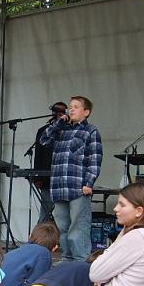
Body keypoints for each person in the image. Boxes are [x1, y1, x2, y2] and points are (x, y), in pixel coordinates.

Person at [39, 96, 102, 260]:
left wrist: (89, 183)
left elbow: (94, 159)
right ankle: (67, 259)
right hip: (59, 186)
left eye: (76, 107)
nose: (71, 109)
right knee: (62, 227)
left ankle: (81, 261)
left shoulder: (91, 131)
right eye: (70, 106)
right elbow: (43, 140)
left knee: (78, 227)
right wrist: (58, 123)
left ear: (86, 112)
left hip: (78, 187)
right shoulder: (62, 130)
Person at [30, 102, 67, 223]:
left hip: (65, 178)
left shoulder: (70, 130)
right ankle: (39, 233)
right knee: (46, 211)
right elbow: (38, 155)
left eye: (62, 112)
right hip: (47, 178)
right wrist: (38, 177)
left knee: (64, 213)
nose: (59, 114)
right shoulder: (44, 131)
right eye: (57, 111)